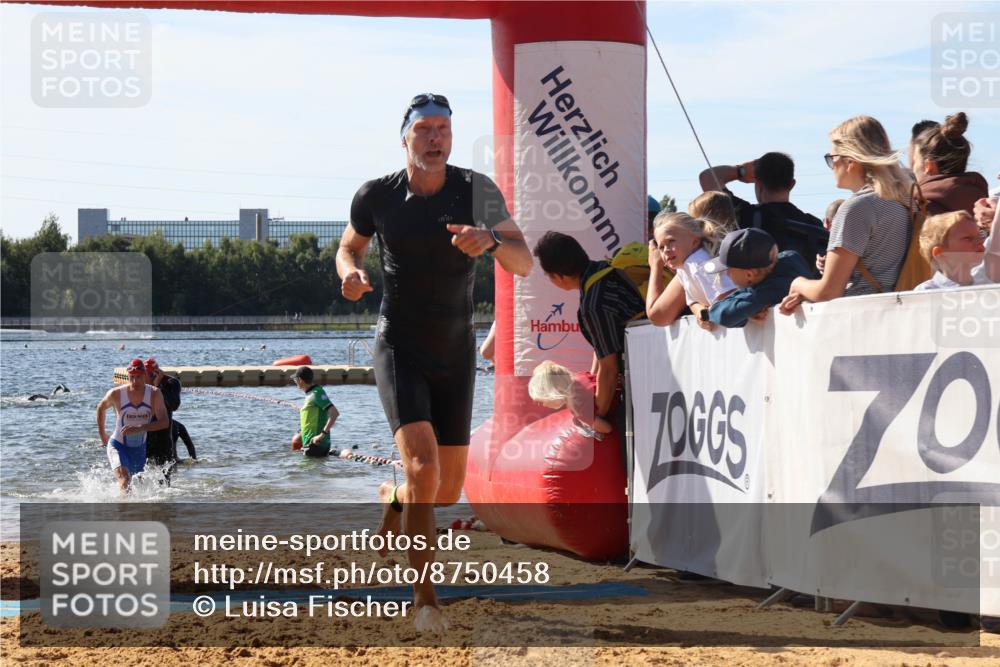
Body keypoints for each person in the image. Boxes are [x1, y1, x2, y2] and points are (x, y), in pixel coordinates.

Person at [336, 92, 532, 632]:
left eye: (443, 128)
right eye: (423, 128)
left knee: (443, 491)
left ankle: (394, 497)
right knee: (423, 466)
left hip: (454, 351)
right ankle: (425, 598)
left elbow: (524, 260)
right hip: (399, 345)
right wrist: (348, 274)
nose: (435, 137)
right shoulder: (377, 195)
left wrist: (490, 240)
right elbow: (348, 246)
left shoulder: (476, 191)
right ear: (405, 137)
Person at [780, 116, 912, 313]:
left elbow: (828, 292)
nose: (832, 166)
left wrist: (798, 284)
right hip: (901, 311)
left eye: (832, 159)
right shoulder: (907, 201)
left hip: (860, 317)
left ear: (850, 161)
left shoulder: (858, 208)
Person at [533, 231, 644, 435]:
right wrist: (593, 381)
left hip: (644, 380)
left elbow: (609, 369)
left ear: (560, 276)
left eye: (549, 277)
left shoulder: (593, 304)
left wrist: (595, 414)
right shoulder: (606, 270)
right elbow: (602, 348)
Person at [698, 152, 826, 267]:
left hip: (759, 292)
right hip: (809, 291)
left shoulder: (744, 215)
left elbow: (707, 177)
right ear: (792, 184)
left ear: (758, 184)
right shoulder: (814, 224)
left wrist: (740, 171)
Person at [705, 228, 814, 327]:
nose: (727, 274)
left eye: (728, 270)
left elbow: (723, 315)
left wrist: (748, 309)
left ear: (750, 274)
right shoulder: (789, 259)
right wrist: (750, 311)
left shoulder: (771, 290)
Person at [647, 212, 734, 331]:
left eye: (671, 241)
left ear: (694, 242)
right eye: (661, 247)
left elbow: (730, 297)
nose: (666, 250)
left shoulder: (697, 264)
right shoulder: (684, 269)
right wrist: (699, 312)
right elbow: (692, 300)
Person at [96, 359, 168, 493]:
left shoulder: (154, 393)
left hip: (139, 448)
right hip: (118, 444)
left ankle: (134, 512)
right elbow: (100, 408)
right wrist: (102, 436)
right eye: (132, 377)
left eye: (139, 377)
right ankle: (124, 512)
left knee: (137, 487)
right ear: (127, 376)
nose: (135, 381)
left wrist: (140, 428)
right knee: (125, 479)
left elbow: (164, 422)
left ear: (145, 375)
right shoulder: (116, 393)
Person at [911, 112, 989, 217]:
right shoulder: (987, 208)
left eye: (915, 161)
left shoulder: (917, 208)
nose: (913, 167)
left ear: (929, 165)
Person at [528, 360, 612, 435]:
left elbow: (607, 428)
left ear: (554, 393)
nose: (544, 405)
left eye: (544, 401)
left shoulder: (578, 408)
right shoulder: (580, 377)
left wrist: (587, 423)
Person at [144, 358, 194, 481]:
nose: (147, 377)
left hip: (163, 436)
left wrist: (157, 386)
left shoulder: (171, 383)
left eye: (150, 375)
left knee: (165, 478)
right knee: (140, 475)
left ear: (157, 373)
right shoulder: (140, 384)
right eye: (146, 374)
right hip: (145, 435)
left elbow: (173, 405)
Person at [914, 211, 989, 290]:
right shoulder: (925, 292)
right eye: (968, 238)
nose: (980, 241)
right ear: (940, 253)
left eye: (980, 235)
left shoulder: (988, 283)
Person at [292, 366, 338, 457]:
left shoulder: (316, 393)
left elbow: (334, 413)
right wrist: (302, 410)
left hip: (316, 445)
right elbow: (314, 412)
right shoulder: (311, 394)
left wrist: (321, 435)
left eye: (295, 379)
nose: (295, 382)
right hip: (311, 445)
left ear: (300, 380)